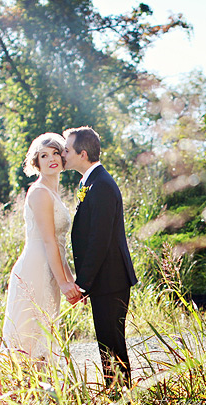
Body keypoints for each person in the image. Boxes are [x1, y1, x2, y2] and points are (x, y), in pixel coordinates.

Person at [61, 126, 138, 386]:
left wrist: (83, 283)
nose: (63, 154)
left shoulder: (102, 184)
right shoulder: (91, 181)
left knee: (112, 343)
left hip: (111, 279)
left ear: (82, 154)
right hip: (105, 279)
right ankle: (117, 395)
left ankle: (122, 397)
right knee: (107, 343)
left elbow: (99, 240)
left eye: (67, 150)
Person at [2, 133, 82, 360]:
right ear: (36, 163)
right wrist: (64, 283)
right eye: (44, 155)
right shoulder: (39, 193)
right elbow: (48, 241)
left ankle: (42, 390)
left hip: (51, 267)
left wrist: (71, 281)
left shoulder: (54, 193)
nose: (51, 159)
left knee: (45, 332)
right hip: (35, 269)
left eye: (56, 152)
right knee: (29, 336)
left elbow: (59, 244)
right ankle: (19, 389)